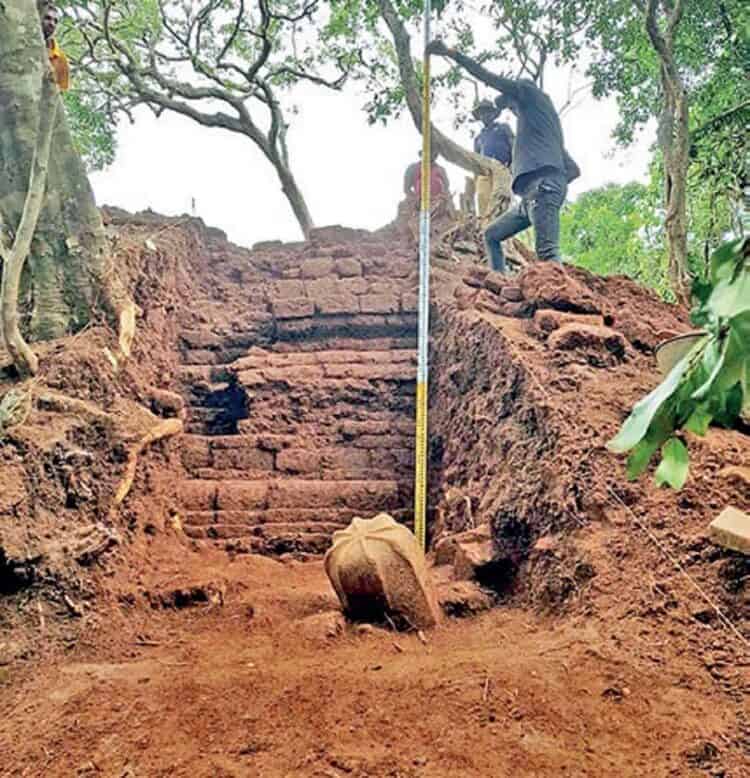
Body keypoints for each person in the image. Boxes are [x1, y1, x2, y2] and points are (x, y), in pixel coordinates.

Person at [426, 40, 580, 272]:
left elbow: (488, 77)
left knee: (547, 252)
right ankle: (499, 285)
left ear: (518, 97)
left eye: (510, 105)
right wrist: (554, 185)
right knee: (492, 235)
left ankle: (561, 303)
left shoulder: (530, 93)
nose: (511, 110)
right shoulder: (542, 126)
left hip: (542, 188)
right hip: (532, 195)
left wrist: (451, 54)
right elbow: (573, 169)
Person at [472, 99, 514, 219]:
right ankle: (484, 229)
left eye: (487, 112)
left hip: (502, 167)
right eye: (482, 113)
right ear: (479, 116)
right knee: (482, 197)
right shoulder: (478, 138)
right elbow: (476, 158)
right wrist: (475, 179)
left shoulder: (503, 128)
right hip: (484, 170)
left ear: (493, 114)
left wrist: (512, 165)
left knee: (500, 198)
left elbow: (514, 145)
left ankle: (500, 229)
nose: (485, 115)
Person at [41, 3, 70, 92]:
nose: (52, 23)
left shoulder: (61, 59)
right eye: (48, 18)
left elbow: (61, 92)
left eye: (55, 21)